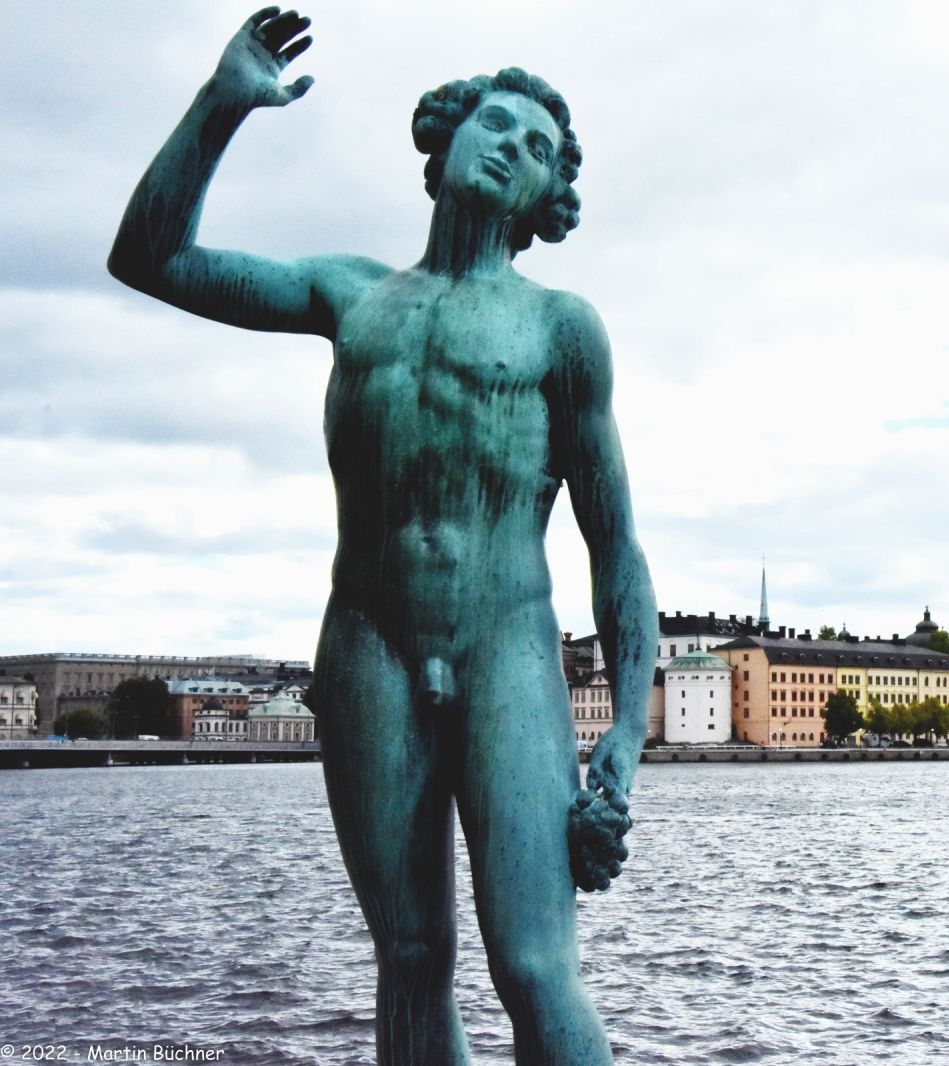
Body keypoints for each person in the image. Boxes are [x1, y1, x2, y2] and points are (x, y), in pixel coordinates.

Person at [109, 9, 656, 1064]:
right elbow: (150, 256)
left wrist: (624, 736)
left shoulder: (561, 328)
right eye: (496, 124)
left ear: (547, 199)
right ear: (445, 141)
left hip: (506, 645)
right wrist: (223, 103)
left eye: (538, 148)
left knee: (537, 969)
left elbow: (615, 547)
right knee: (408, 960)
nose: (512, 146)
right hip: (366, 650)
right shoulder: (350, 296)